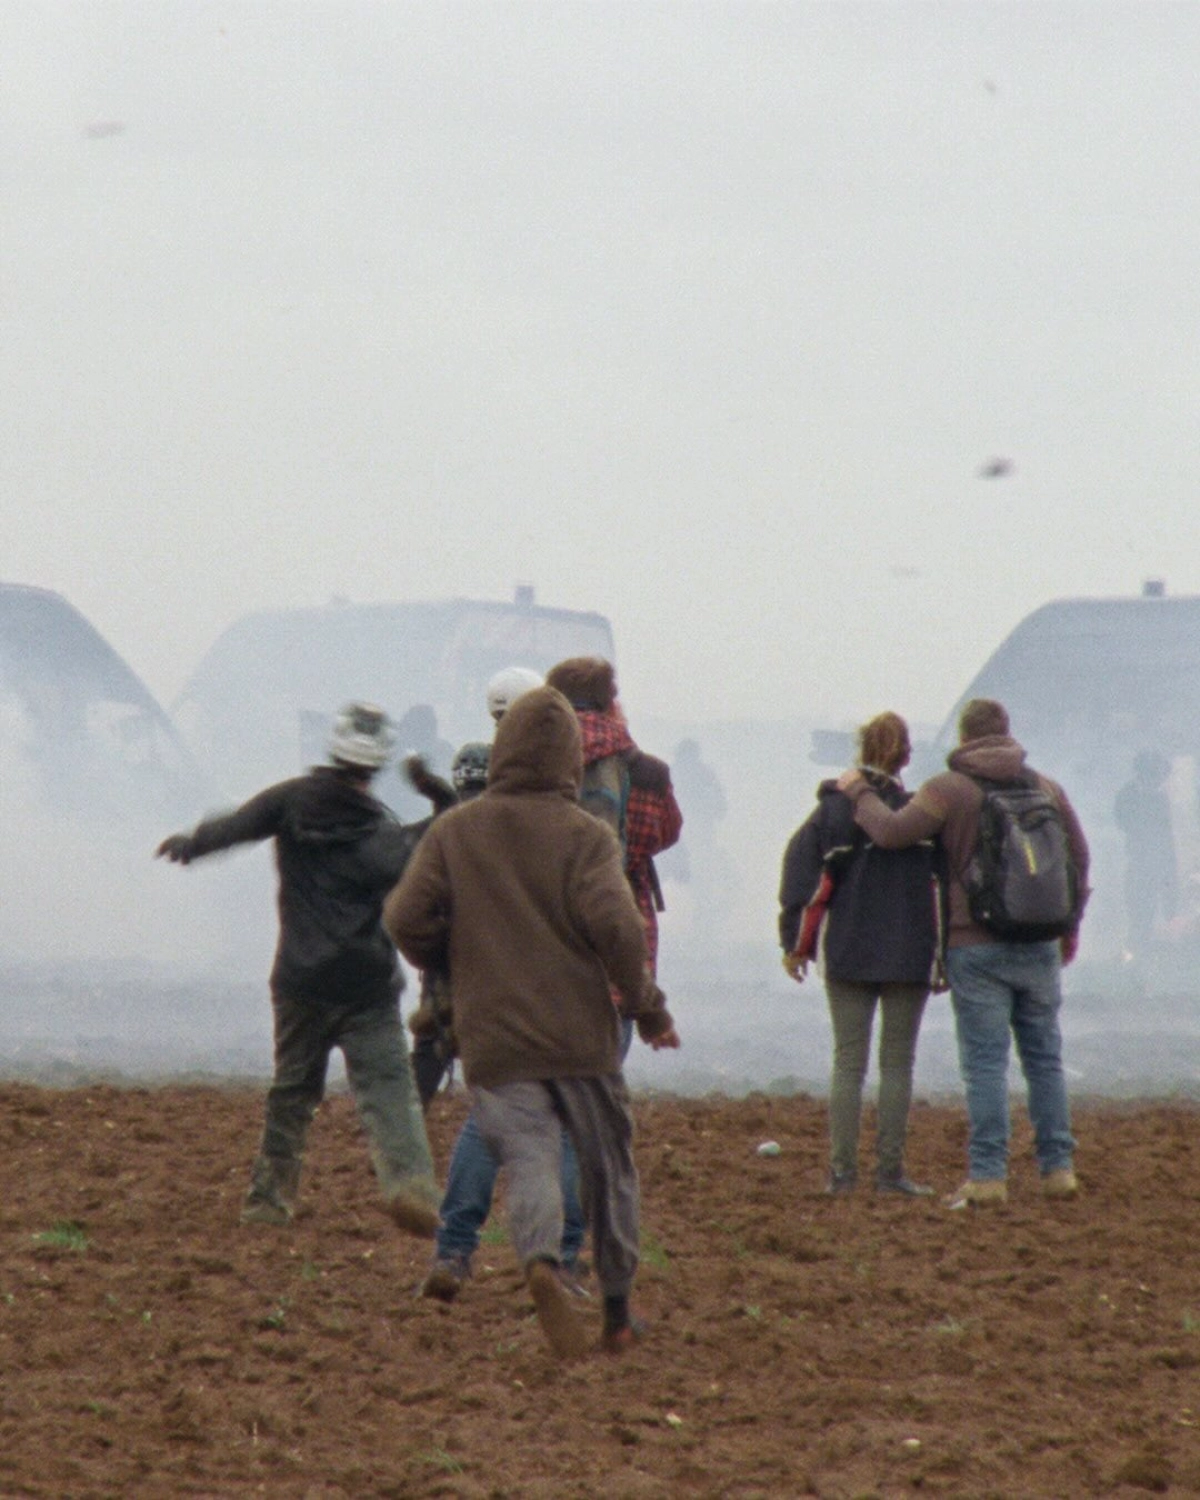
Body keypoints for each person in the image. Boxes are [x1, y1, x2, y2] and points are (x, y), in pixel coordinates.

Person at [384, 684, 680, 1359]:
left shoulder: (458, 830)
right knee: (606, 1165)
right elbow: (618, 928)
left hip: (493, 1036)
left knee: (524, 1152)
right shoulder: (584, 836)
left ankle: (533, 1260)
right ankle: (612, 1308)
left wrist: (446, 960)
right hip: (580, 1036)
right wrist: (646, 1005)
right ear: (569, 761)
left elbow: (404, 919)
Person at [155, 702, 442, 1236]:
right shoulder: (383, 837)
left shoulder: (289, 802)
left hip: (299, 983)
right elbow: (427, 848)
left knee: (291, 1093)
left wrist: (191, 844)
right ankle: (412, 1189)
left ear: (333, 748)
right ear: (377, 766)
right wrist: (442, 799)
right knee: (388, 1092)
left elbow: (237, 826)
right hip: (368, 989)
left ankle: (268, 1203)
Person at [837, 698, 1089, 1208]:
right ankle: (1057, 1168)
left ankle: (988, 1176)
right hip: (1040, 943)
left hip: (976, 947)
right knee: (1044, 1059)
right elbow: (1077, 860)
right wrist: (1070, 927)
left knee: (986, 1065)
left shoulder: (947, 791)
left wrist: (858, 791)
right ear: (1007, 732)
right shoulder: (1048, 789)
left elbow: (889, 833)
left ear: (963, 738)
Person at [413, 667, 589, 1303]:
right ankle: (560, 1258)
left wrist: (443, 977)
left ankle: (454, 1252)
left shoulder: (470, 801)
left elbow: (419, 910)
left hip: (483, 986)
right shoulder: (569, 804)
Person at [779, 711, 941, 1197]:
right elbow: (943, 889)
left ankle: (842, 1175)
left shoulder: (831, 812)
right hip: (911, 954)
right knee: (898, 1065)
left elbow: (802, 880)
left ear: (859, 750)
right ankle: (890, 1175)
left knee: (848, 1063)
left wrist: (794, 944)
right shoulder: (922, 815)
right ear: (907, 756)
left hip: (848, 951)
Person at [1113, 750, 1178, 966]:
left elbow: (1168, 834)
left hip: (1164, 863)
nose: (1160, 779)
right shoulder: (1130, 795)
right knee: (1140, 915)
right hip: (1141, 863)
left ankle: (1163, 962)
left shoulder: (1162, 797)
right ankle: (1138, 960)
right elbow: (1125, 823)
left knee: (1171, 911)